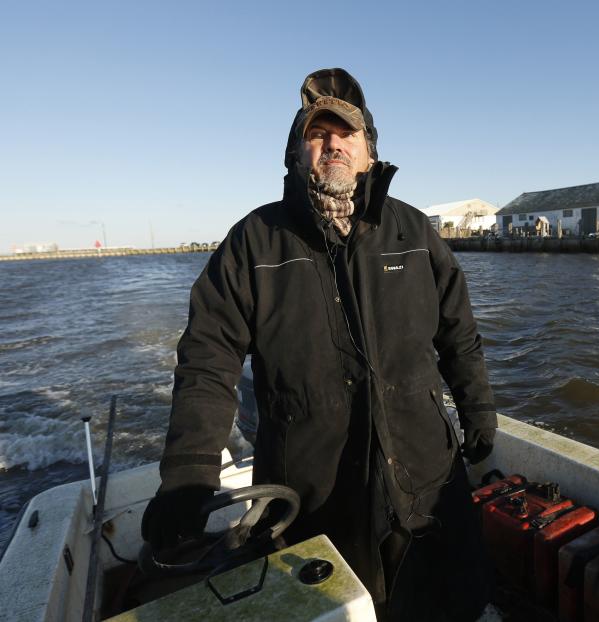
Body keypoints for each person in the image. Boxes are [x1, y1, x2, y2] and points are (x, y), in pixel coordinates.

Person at [141, 68, 497, 621]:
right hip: (312, 496)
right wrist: (189, 474)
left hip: (426, 477)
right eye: (317, 133)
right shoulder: (251, 245)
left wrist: (478, 408)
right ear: (297, 151)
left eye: (346, 133)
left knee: (447, 603)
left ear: (369, 152)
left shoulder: (415, 232)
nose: (332, 142)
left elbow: (458, 332)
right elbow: (208, 364)